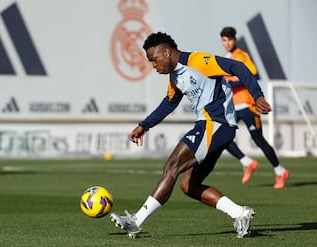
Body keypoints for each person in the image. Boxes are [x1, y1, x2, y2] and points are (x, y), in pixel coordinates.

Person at [110, 32, 272, 239]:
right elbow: (169, 103)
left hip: (215, 124)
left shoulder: (198, 61)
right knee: (189, 186)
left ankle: (136, 221)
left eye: (153, 59)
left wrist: (257, 95)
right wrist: (144, 126)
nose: (153, 65)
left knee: (172, 167)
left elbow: (237, 67)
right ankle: (240, 213)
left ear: (166, 51)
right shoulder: (175, 77)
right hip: (216, 129)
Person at [220, 26, 289, 188]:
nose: (227, 43)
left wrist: (233, 82)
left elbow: (254, 74)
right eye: (224, 40)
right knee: (222, 137)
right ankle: (247, 162)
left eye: (230, 39)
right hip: (233, 107)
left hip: (247, 105)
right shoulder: (224, 57)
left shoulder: (241, 56)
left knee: (259, 140)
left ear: (235, 40)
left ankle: (280, 172)